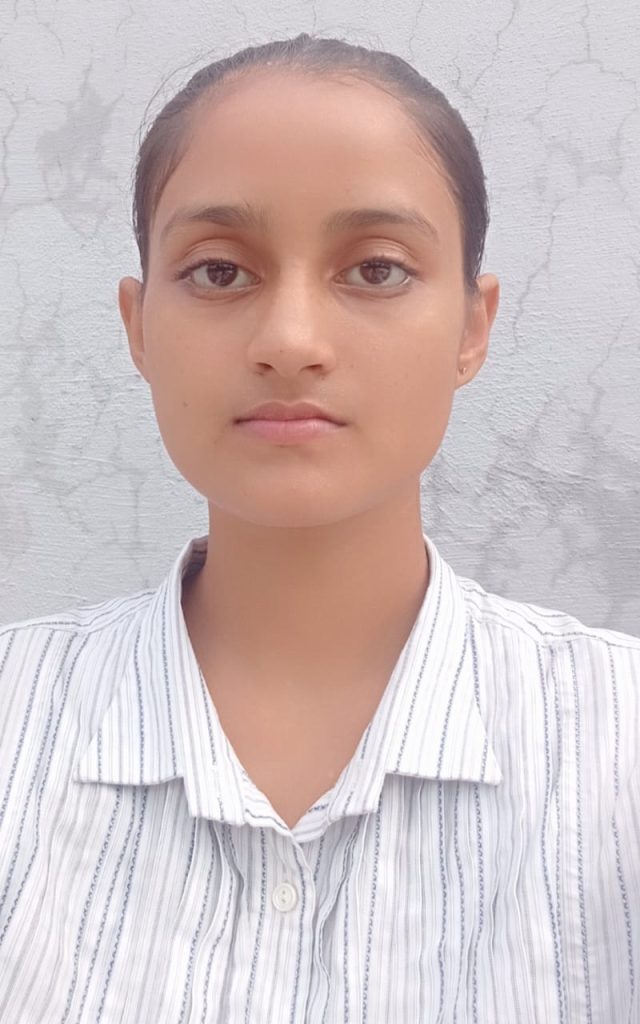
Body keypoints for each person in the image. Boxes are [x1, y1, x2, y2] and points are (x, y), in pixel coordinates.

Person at [0, 32, 637, 1024]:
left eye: (376, 269)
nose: (291, 340)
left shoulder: (617, 744)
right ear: (137, 326)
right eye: (220, 273)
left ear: (472, 327)